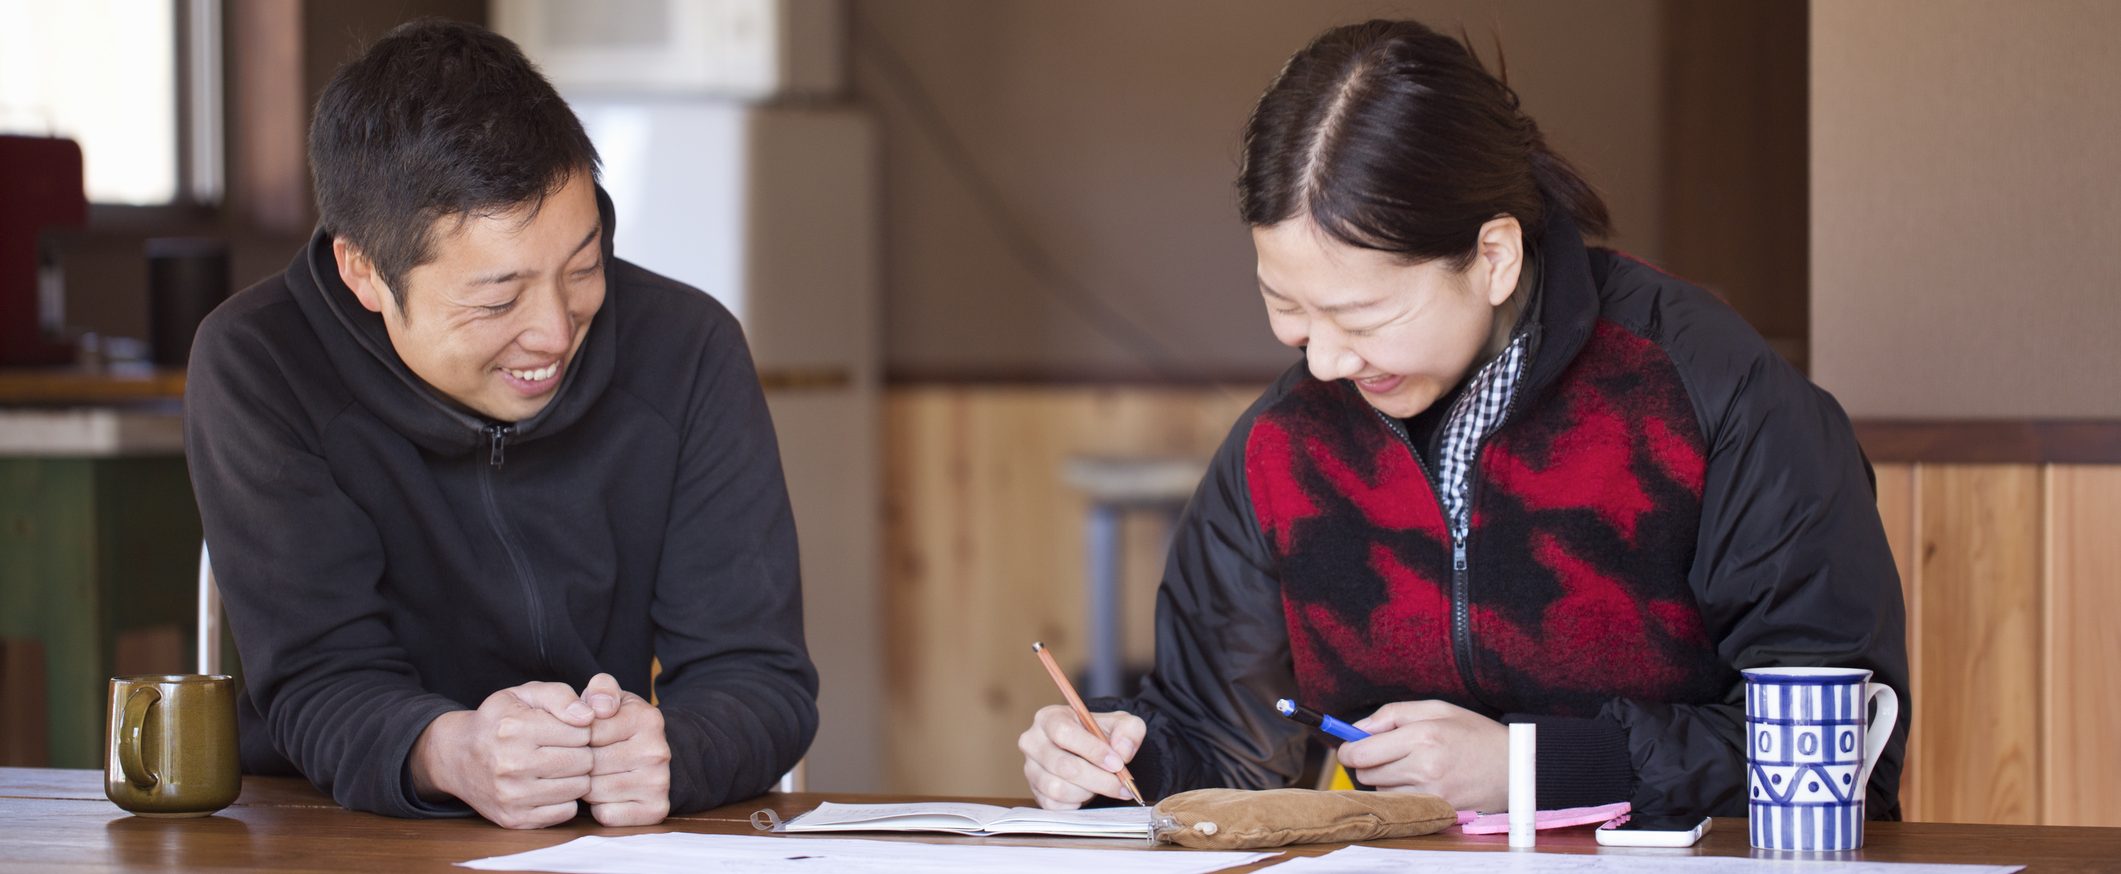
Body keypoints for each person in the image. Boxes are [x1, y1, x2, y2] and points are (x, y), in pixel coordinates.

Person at [1017, 19, 1907, 819]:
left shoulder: (1709, 393)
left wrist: (1536, 766)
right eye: (1282, 303)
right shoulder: (1282, 445)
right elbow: (1225, 746)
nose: (1319, 360)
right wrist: (1118, 763)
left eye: (1361, 319)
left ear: (1492, 256)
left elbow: (1837, 757)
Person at [185, 20, 817, 829]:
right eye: (497, 299)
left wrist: (668, 751)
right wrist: (447, 753)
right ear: (364, 273)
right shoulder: (261, 362)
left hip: (610, 841)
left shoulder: (687, 348)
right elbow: (318, 679)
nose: (554, 332)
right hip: (338, 827)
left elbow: (759, 678)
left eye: (584, 267)